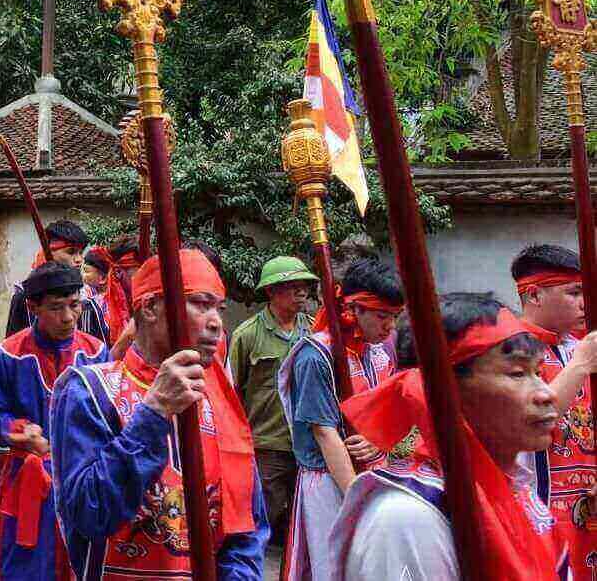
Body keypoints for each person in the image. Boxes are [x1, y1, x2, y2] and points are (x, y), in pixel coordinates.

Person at [51, 247, 268, 579]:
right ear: (150, 307)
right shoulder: (89, 390)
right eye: (200, 304)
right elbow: (88, 514)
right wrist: (153, 413)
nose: (216, 323)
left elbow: (246, 531)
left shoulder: (221, 404)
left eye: (219, 309)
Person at [333, 292, 570, 579]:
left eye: (539, 373)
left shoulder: (516, 488)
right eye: (518, 373)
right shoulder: (407, 518)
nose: (547, 394)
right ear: (446, 392)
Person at [0, 262, 106, 580]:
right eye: (56, 308)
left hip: (82, 480)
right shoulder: (11, 353)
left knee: (81, 564)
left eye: (74, 306)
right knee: (28, 567)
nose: (68, 317)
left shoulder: (96, 353)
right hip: (28, 481)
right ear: (33, 308)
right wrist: (17, 431)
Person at [275, 254, 400, 581]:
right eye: (382, 315)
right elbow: (324, 433)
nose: (390, 326)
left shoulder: (382, 349)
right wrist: (356, 498)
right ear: (353, 309)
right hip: (329, 481)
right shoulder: (315, 356)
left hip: (377, 471)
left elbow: (390, 412)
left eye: (395, 316)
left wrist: (379, 442)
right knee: (332, 568)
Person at [512, 243, 597, 571]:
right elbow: (527, 422)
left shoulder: (580, 347)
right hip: (538, 501)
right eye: (574, 292)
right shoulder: (509, 351)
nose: (584, 303)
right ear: (533, 295)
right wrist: (579, 366)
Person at [226, 255, 316, 550]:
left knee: (305, 520)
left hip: (310, 441)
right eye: (292, 286)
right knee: (261, 516)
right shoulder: (247, 335)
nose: (301, 292)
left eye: (304, 286)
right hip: (267, 444)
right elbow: (229, 392)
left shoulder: (315, 331)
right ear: (271, 292)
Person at [3, 220, 90, 337]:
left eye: (81, 253)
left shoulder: (87, 298)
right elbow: (14, 345)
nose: (79, 259)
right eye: (71, 252)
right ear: (49, 251)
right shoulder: (24, 298)